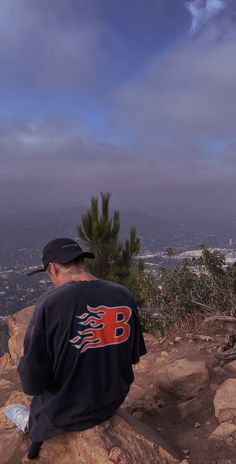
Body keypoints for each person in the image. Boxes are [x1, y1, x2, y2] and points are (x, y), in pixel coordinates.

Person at [17, 237, 147, 459]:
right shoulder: (123, 294)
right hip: (110, 402)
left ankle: (31, 430)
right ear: (81, 262)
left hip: (64, 413)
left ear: (53, 268)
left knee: (16, 411)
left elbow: (31, 383)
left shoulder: (50, 304)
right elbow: (133, 357)